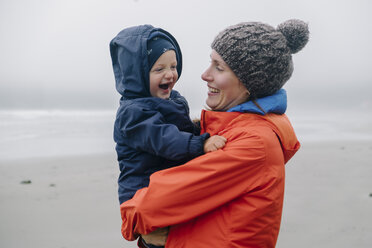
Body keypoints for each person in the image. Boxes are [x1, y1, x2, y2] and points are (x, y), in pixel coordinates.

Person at [119, 19, 309, 248]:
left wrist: (145, 226)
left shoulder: (254, 143)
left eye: (219, 67)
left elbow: (142, 210)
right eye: (210, 62)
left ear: (250, 84)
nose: (204, 75)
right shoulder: (238, 129)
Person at [109, 25, 226, 248]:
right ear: (137, 76)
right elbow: (164, 139)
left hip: (166, 187)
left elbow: (177, 128)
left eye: (173, 66)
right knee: (160, 238)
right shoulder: (133, 113)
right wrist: (199, 143)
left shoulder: (172, 99)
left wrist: (197, 128)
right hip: (142, 191)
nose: (170, 74)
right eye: (159, 69)